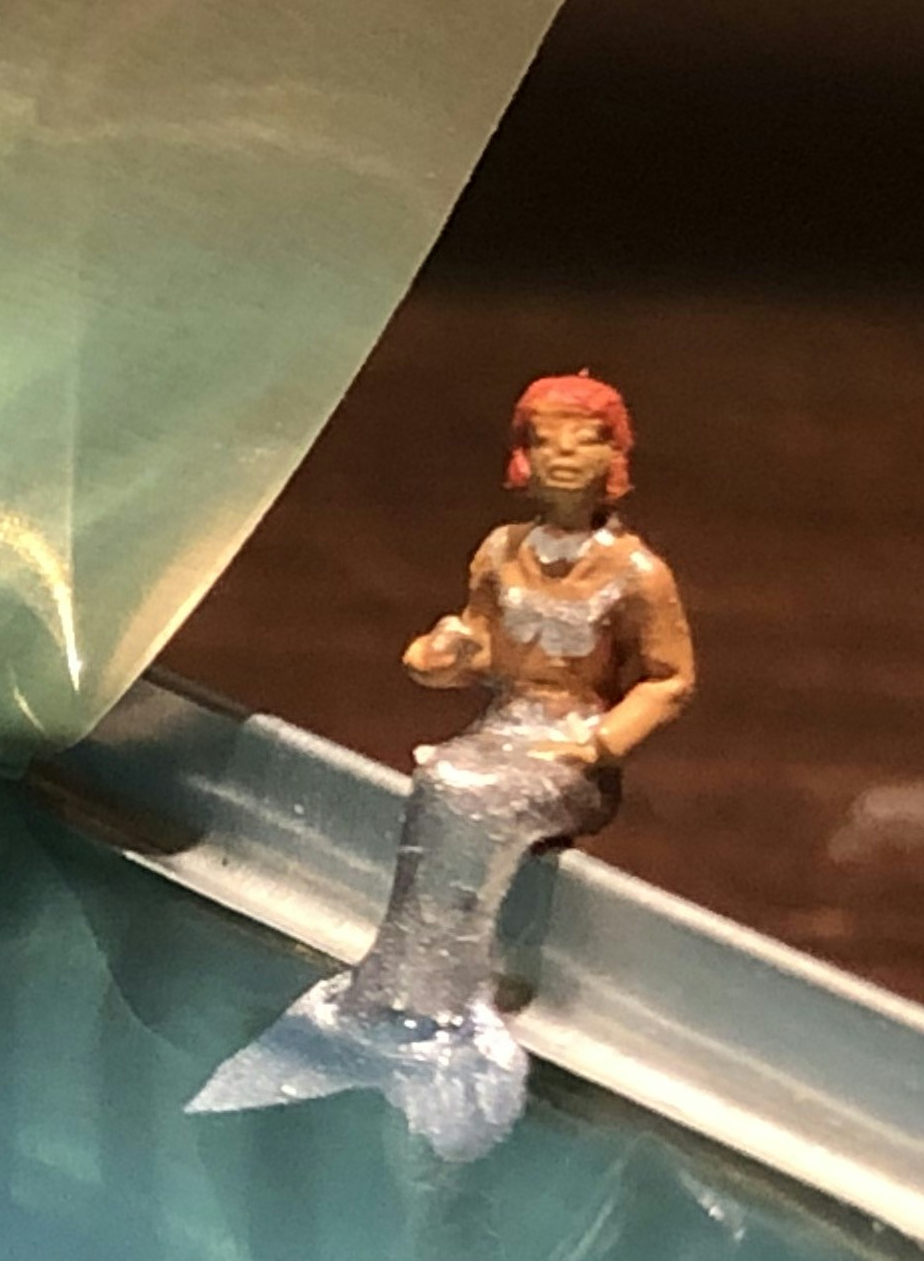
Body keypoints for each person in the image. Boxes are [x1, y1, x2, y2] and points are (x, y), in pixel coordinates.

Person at [188, 374, 694, 1161]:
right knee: (445, 779)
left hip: (570, 752)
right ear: (522, 455)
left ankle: (416, 1009)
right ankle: (417, 1002)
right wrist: (445, 655)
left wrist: (599, 744)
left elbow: (669, 679)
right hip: (501, 731)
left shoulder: (636, 575)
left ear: (613, 455)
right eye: (544, 439)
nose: (562, 456)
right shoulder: (500, 551)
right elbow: (479, 649)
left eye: (582, 439)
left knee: (463, 788)